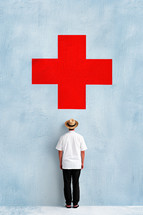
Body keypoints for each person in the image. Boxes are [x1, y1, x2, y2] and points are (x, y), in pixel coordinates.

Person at [56, 118, 87, 208]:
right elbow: (83, 151)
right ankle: (76, 203)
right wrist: (82, 162)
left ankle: (68, 203)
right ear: (75, 126)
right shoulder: (80, 137)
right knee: (76, 183)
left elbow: (60, 151)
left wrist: (60, 162)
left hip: (66, 164)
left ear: (67, 127)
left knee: (67, 183)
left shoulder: (63, 137)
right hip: (77, 163)